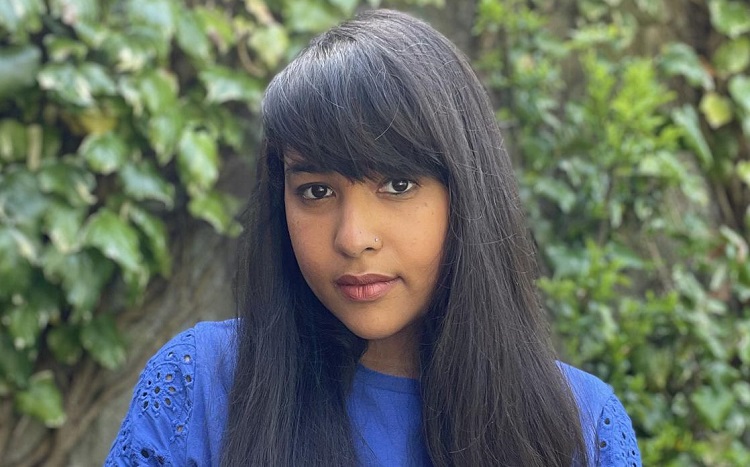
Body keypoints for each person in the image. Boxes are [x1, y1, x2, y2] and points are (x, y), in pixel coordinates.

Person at [105, 9, 641, 467]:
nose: (354, 238)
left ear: (467, 192)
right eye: (316, 191)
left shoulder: (580, 426)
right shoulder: (199, 387)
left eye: (398, 185)